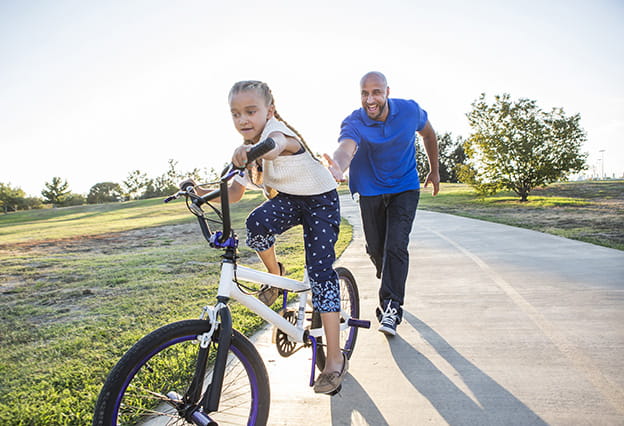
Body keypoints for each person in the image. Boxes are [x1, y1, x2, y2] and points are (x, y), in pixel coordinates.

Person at [183, 80, 348, 394]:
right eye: (235, 114)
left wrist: (250, 150)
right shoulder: (249, 152)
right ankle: (276, 275)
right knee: (256, 223)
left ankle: (335, 360)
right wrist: (199, 192)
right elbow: (233, 192)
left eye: (250, 111)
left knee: (320, 273)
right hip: (290, 198)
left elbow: (274, 145)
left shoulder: (278, 133)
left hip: (321, 200)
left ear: (269, 110)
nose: (243, 120)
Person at [325, 71, 440, 336]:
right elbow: (345, 148)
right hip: (370, 190)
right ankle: (388, 273)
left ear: (387, 91)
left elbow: (429, 134)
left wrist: (434, 170)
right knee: (378, 249)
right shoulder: (354, 121)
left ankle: (390, 308)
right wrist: (338, 167)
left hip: (405, 187)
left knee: (396, 246)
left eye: (376, 92)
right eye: (365, 93)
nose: (370, 99)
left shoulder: (410, 111)